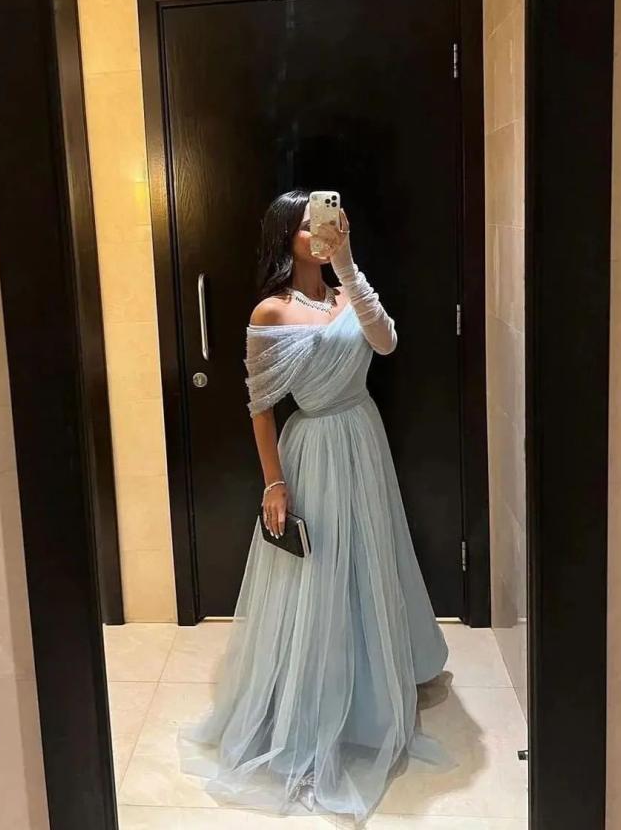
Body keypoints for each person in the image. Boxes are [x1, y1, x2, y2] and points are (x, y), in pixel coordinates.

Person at [178, 189, 451, 823]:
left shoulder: (349, 292)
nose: (320, 232)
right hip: (313, 447)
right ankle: (314, 693)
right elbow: (260, 407)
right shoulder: (270, 311)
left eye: (326, 220)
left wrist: (348, 264)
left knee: (371, 555)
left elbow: (386, 343)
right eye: (307, 226)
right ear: (286, 236)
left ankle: (372, 687)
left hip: (364, 437)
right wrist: (274, 484)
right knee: (317, 568)